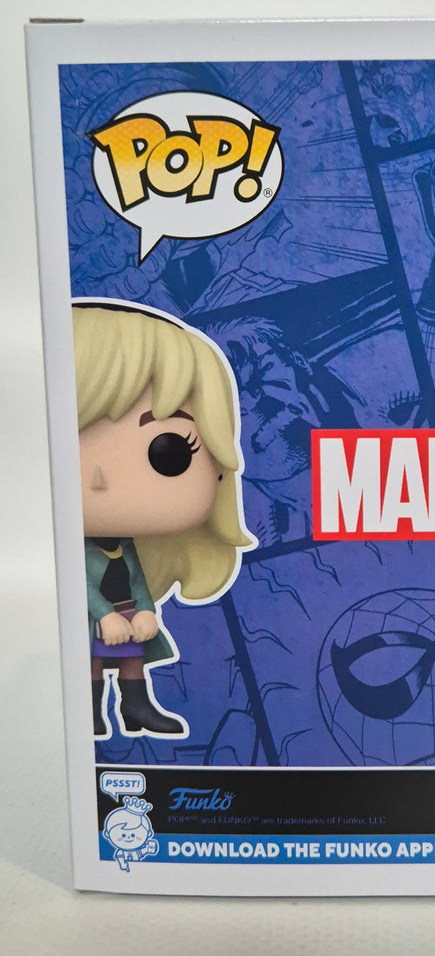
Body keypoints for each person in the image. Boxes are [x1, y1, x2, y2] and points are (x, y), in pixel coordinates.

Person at [74, 302, 253, 737]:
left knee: (133, 658)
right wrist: (104, 615)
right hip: (91, 616)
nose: (98, 479)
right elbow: (80, 585)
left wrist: (146, 611)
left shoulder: (126, 545)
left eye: (168, 451)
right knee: (88, 659)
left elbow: (136, 580)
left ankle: (135, 708)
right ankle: (87, 712)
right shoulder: (70, 552)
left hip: (126, 611)